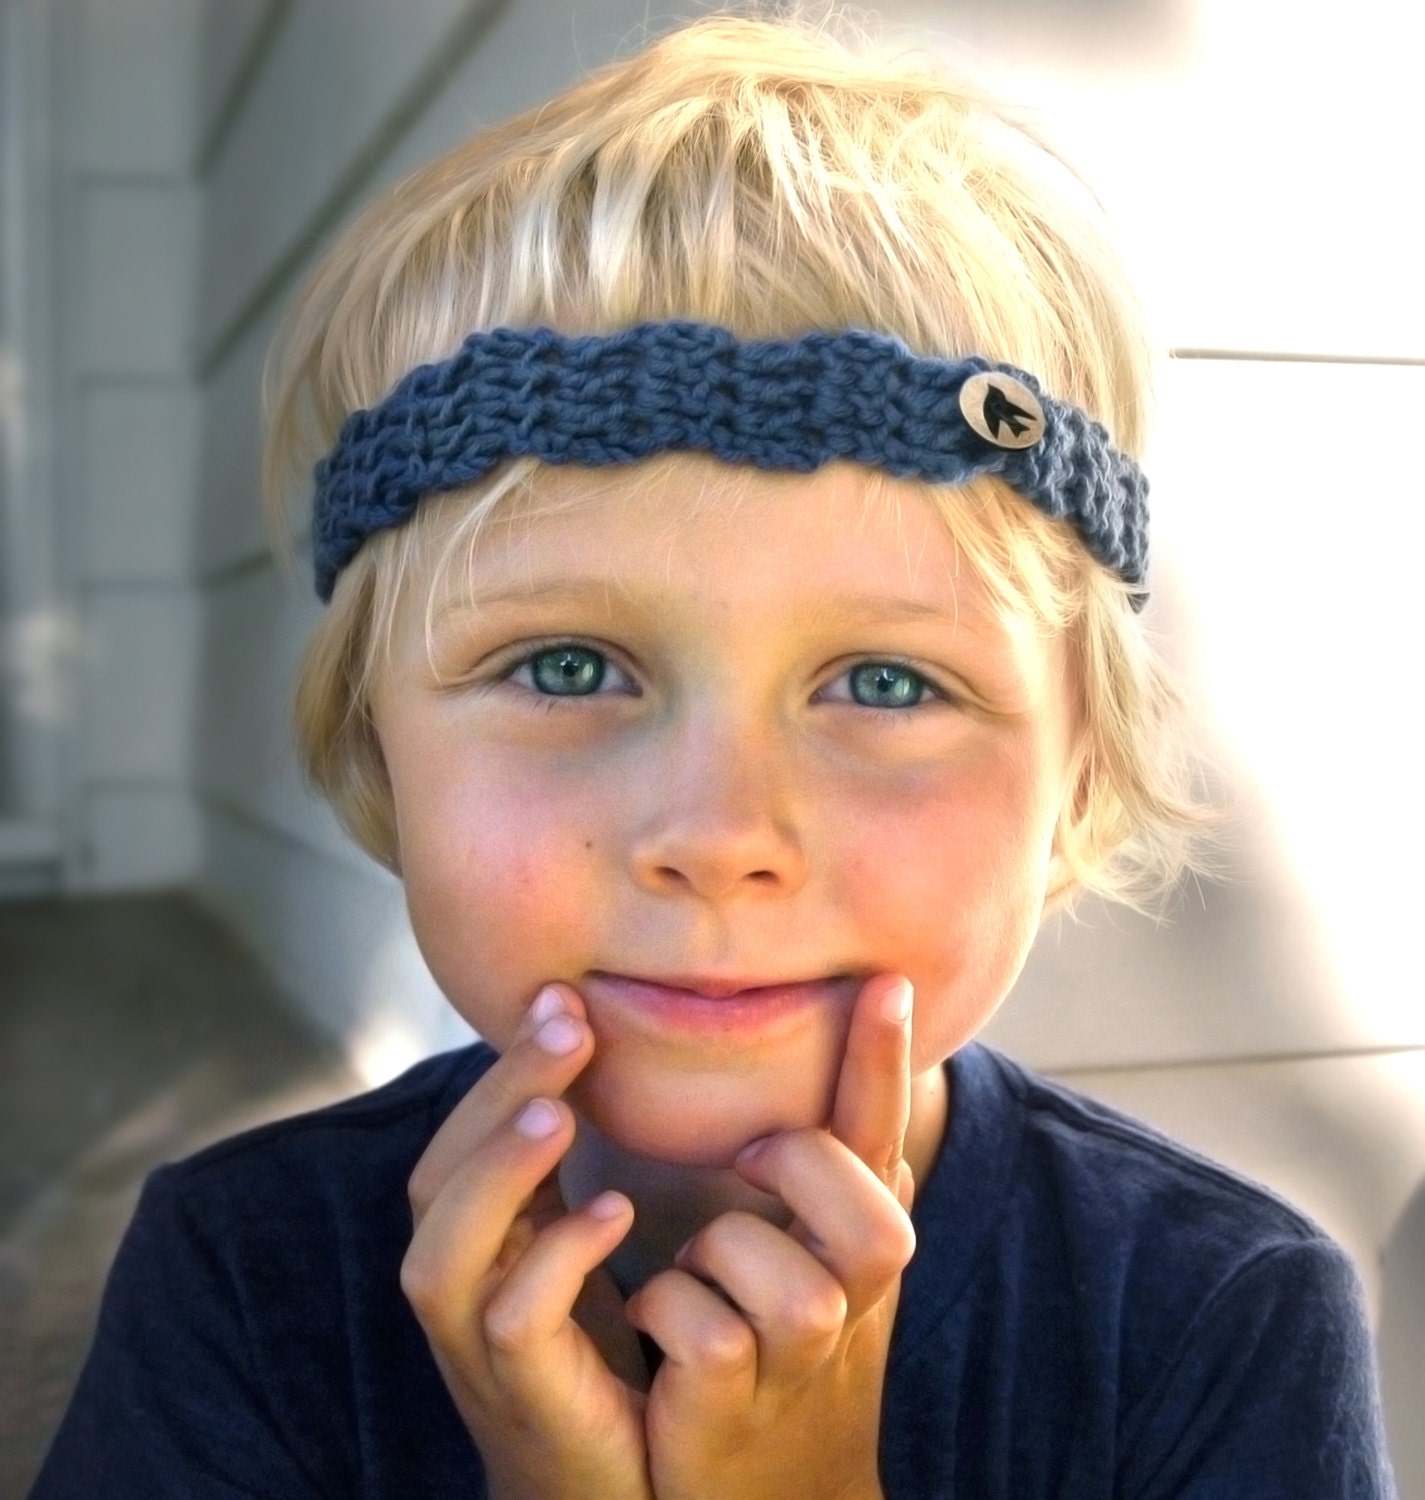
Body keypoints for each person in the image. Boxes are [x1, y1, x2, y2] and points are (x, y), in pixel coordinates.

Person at [33, 13, 1395, 1498]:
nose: (718, 830)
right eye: (564, 667)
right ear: (375, 754)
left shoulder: (1223, 1316)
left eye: (882, 680)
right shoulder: (233, 1274)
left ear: (1075, 778)